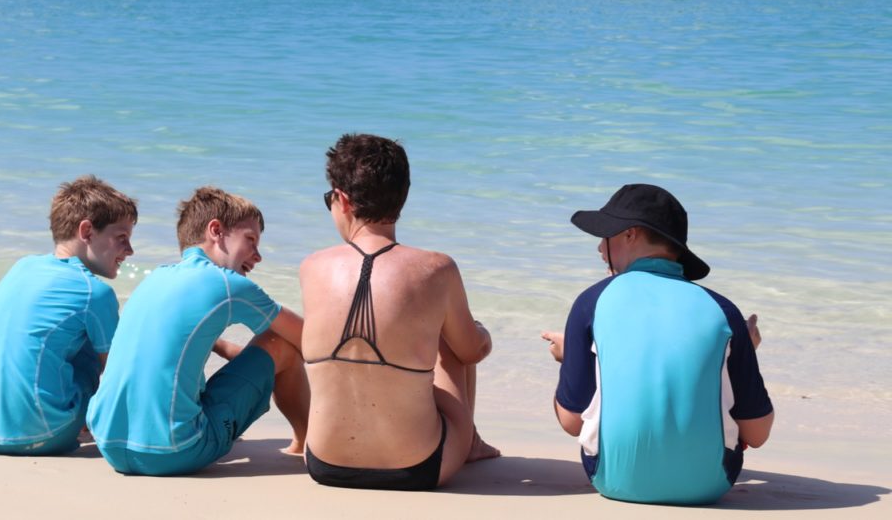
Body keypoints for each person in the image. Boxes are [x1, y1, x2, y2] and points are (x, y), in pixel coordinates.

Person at [543, 183, 774, 505]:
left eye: (605, 235)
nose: (599, 248)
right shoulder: (722, 310)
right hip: (710, 485)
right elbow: (758, 434)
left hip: (612, 479)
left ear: (630, 234)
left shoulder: (591, 302)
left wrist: (571, 359)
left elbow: (570, 421)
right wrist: (740, 351)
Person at [300, 133, 499, 491]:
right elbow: (470, 352)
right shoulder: (436, 269)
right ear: (402, 198)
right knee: (455, 338)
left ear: (342, 200)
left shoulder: (311, 267)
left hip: (324, 463)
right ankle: (471, 444)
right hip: (419, 467)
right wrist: (483, 335)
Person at [86, 186, 309, 476]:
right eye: (251, 240)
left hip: (110, 447)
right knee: (280, 340)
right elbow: (309, 340)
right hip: (176, 451)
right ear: (216, 230)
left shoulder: (156, 279)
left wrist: (220, 345)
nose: (257, 256)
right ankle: (305, 445)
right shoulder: (228, 284)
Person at [0, 175, 138, 455]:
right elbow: (120, 375)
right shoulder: (94, 292)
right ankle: (83, 421)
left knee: (59, 334)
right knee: (93, 349)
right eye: (122, 238)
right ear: (87, 232)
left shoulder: (21, 268)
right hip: (44, 432)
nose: (129, 250)